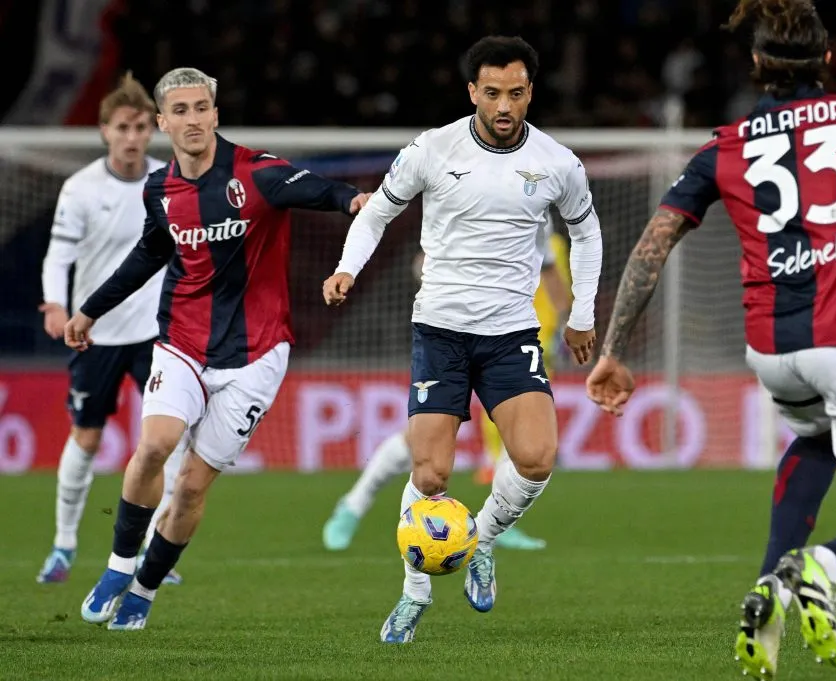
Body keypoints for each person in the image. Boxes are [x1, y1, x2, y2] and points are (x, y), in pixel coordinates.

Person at [585, 0, 836, 677]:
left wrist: (615, 348)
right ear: (827, 58)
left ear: (757, 65)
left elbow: (655, 242)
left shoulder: (725, 145)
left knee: (819, 437)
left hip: (773, 352)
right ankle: (820, 566)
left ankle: (768, 584)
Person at [64, 66, 371, 631]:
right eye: (179, 111)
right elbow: (147, 256)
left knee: (190, 488)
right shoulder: (160, 190)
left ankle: (146, 590)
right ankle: (117, 564)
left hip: (257, 356)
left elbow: (325, 191)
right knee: (154, 446)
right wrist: (90, 310)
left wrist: (356, 203)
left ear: (215, 113)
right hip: (182, 342)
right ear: (163, 122)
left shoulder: (258, 173)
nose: (192, 119)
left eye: (200, 108)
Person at [323, 35, 602, 644]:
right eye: (494, 92)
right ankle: (413, 592)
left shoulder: (557, 163)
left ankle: (482, 541)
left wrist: (581, 312)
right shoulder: (431, 149)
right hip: (441, 330)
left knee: (536, 457)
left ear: (532, 91)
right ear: (473, 91)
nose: (505, 105)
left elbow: (587, 234)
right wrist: (349, 267)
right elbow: (378, 211)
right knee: (430, 475)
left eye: (517, 93)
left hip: (511, 332)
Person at [322, 214, 572, 553]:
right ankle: (354, 504)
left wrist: (563, 330)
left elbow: (555, 283)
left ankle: (497, 524)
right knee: (422, 441)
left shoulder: (542, 229)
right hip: (454, 338)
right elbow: (423, 261)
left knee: (515, 441)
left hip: (520, 347)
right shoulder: (464, 208)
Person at [37, 72, 186, 586]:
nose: (132, 137)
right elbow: (60, 255)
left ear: (154, 130)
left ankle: (152, 553)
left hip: (157, 334)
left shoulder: (170, 181)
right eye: (123, 126)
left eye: (142, 127)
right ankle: (63, 544)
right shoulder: (80, 189)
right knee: (86, 435)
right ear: (104, 130)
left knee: (164, 440)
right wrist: (56, 305)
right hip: (96, 333)